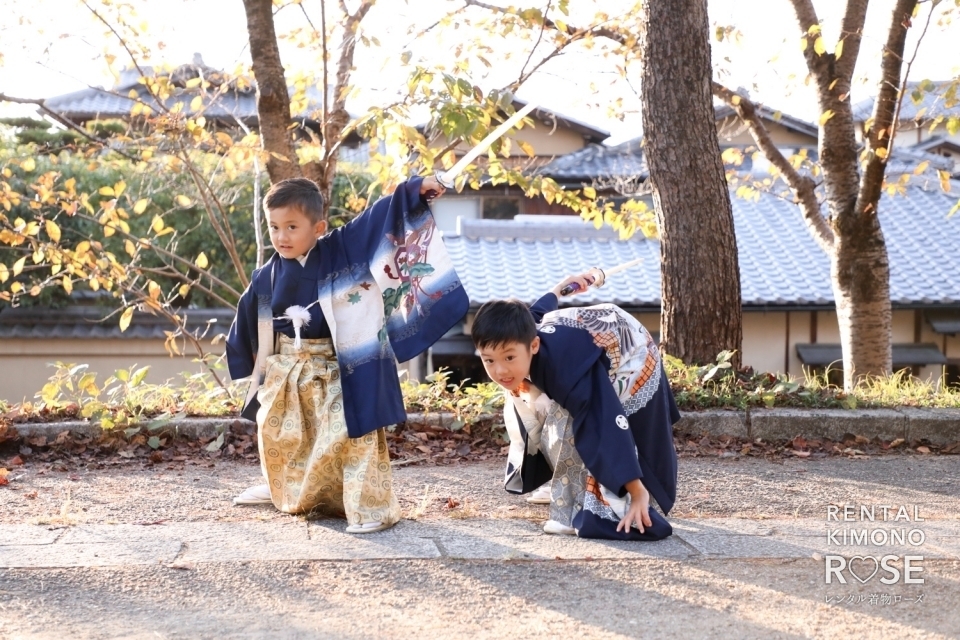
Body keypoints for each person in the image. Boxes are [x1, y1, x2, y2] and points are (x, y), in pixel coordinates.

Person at [226, 175, 468, 533]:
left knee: (353, 434)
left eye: (292, 226)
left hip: (343, 364)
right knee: (279, 431)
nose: (281, 236)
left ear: (318, 227)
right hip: (288, 367)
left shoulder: (341, 248)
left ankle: (371, 505)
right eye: (274, 227)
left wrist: (414, 190)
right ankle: (284, 488)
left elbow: (377, 217)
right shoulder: (267, 274)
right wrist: (247, 359)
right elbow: (251, 320)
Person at [470, 273, 679, 540]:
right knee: (529, 404)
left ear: (534, 345)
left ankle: (574, 505)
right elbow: (536, 311)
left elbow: (604, 421)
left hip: (631, 354)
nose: (500, 370)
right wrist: (560, 289)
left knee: (572, 424)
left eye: (509, 357)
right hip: (592, 339)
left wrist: (637, 492)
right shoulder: (523, 334)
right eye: (489, 360)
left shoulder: (564, 371)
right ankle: (564, 486)